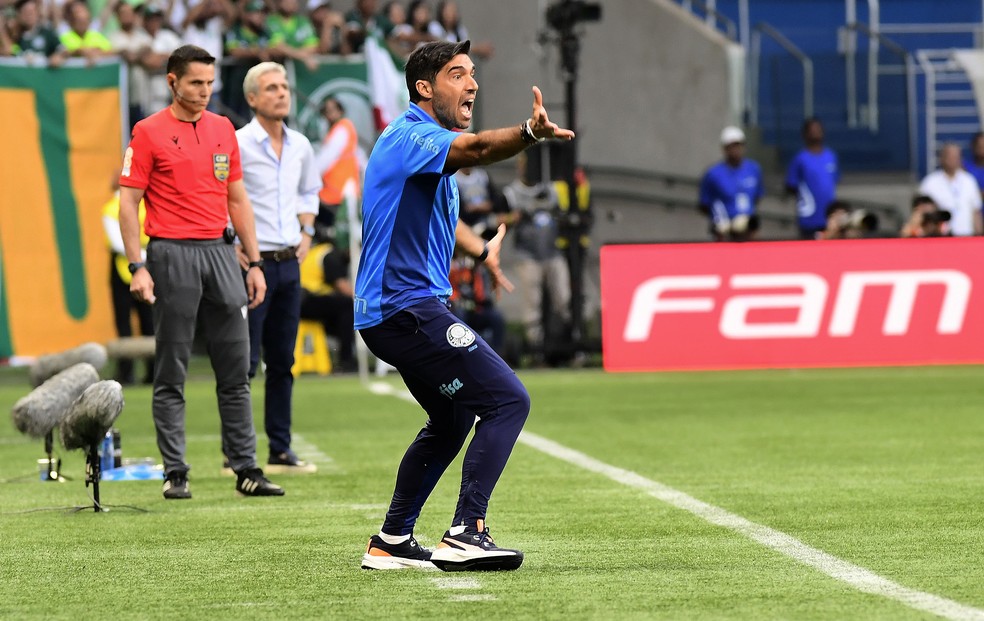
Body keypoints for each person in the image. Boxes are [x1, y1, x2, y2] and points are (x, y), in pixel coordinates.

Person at [356, 39, 574, 572]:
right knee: (507, 401)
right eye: (458, 74)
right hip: (405, 309)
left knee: (453, 420)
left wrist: (480, 251)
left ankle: (392, 540)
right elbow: (477, 149)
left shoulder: (421, 146)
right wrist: (527, 134)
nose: (472, 83)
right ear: (425, 88)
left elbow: (436, 219)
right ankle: (466, 531)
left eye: (473, 73)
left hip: (399, 310)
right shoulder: (412, 135)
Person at [118, 44, 284, 500]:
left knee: (236, 369)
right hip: (171, 255)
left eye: (210, 82)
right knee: (171, 369)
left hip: (221, 253)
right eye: (196, 83)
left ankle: (247, 469)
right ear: (172, 82)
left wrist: (253, 262)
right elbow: (128, 203)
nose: (206, 91)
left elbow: (237, 199)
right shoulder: (148, 132)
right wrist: (138, 266)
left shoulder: (222, 129)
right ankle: (176, 471)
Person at [236, 61, 322, 473]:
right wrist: (231, 242)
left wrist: (307, 232)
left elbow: (310, 190)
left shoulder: (301, 145)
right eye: (271, 88)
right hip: (252, 264)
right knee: (244, 361)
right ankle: (237, 452)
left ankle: (279, 447)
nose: (281, 93)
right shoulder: (237, 143)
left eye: (284, 86)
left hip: (290, 262)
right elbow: (221, 197)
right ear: (252, 98)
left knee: (283, 361)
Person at [501, 152, 571, 364]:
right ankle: (536, 350)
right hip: (527, 254)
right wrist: (515, 217)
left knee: (564, 299)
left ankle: (564, 347)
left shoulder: (550, 190)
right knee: (533, 304)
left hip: (553, 252)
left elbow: (563, 215)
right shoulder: (512, 193)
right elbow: (500, 218)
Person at [101, 185, 154, 385]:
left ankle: (154, 371)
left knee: (149, 322)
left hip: (146, 269)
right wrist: (146, 256)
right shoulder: (112, 208)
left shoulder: (146, 206)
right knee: (124, 325)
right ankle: (127, 372)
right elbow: (116, 242)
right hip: (125, 272)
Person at [699, 126, 763, 242]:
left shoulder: (754, 169)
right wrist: (720, 219)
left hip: (747, 229)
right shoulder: (713, 174)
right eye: (731, 146)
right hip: (724, 230)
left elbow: (757, 196)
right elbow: (704, 204)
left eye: (738, 145)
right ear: (724, 149)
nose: (736, 150)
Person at [785, 118, 839, 239]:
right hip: (808, 217)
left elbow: (833, 181)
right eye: (812, 130)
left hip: (829, 217)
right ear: (805, 134)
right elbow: (791, 185)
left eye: (818, 130)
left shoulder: (830, 156)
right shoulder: (800, 159)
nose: (815, 133)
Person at [918, 142, 982, 237]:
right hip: (940, 238)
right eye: (949, 156)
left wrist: (980, 235)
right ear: (942, 158)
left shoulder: (969, 180)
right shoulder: (929, 183)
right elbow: (921, 214)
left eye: (956, 156)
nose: (953, 159)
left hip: (967, 236)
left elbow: (975, 212)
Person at [315, 95, 361, 228]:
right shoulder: (341, 129)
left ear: (340, 111)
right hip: (340, 192)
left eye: (333, 108)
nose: (330, 113)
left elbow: (325, 159)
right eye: (327, 109)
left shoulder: (341, 129)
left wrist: (309, 176)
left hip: (335, 193)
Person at [108, 0, 152, 129]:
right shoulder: (112, 37)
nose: (127, 16)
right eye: (123, 13)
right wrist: (137, 54)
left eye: (129, 13)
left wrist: (129, 54)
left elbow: (150, 56)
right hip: (123, 97)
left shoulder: (142, 35)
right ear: (117, 16)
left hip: (143, 95)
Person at [7, 0, 67, 65]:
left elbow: (63, 50)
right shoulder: (14, 35)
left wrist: (58, 56)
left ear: (37, 13)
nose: (28, 16)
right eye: (25, 12)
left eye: (31, 12)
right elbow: (8, 52)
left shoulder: (46, 33)